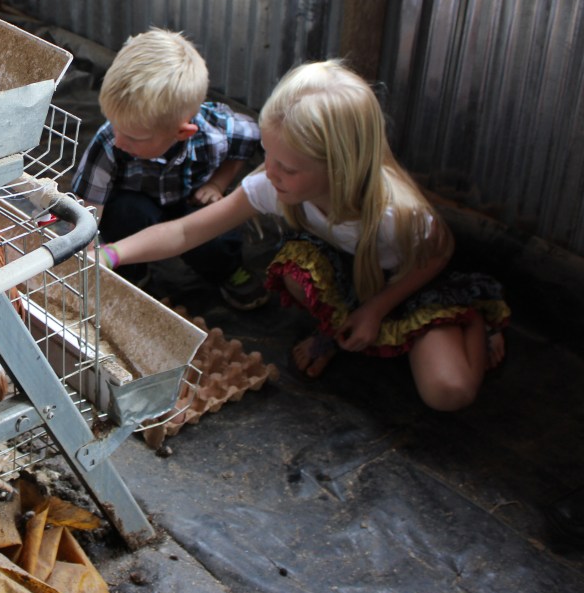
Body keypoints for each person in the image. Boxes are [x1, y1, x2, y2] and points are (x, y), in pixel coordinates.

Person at [97, 59, 510, 412]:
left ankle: (476, 322)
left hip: (406, 284)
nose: (269, 173)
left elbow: (438, 255)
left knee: (448, 392)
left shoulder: (396, 215)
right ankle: (335, 329)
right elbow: (187, 230)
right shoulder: (275, 184)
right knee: (298, 273)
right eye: (267, 154)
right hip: (351, 272)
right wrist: (111, 254)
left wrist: (377, 308)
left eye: (288, 167)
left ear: (340, 168)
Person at [71, 27, 267, 309]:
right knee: (125, 213)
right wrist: (88, 249)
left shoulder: (219, 133)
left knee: (219, 235)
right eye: (114, 124)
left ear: (182, 132)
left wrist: (218, 184)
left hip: (191, 201)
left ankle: (227, 271)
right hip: (139, 202)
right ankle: (131, 271)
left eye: (133, 137)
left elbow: (248, 141)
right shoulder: (109, 141)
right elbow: (89, 206)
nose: (119, 140)